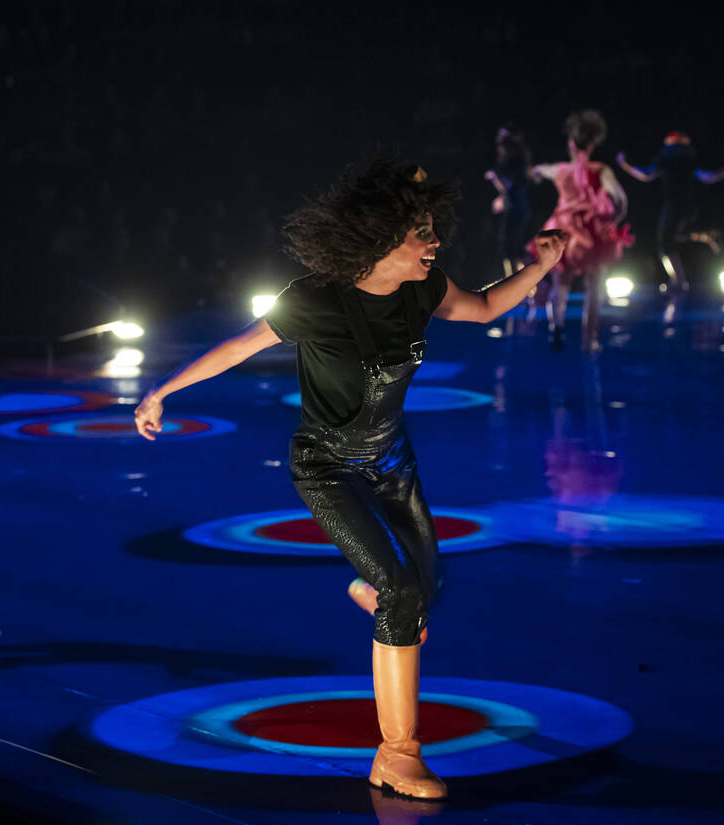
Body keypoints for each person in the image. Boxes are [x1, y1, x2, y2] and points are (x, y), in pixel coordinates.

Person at [134, 157, 567, 800]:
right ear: (381, 240)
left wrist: (542, 266)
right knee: (402, 592)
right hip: (327, 467)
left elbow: (481, 309)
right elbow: (236, 348)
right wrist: (162, 392)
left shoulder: (425, 288)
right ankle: (396, 755)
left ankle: (382, 595)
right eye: (422, 232)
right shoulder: (314, 301)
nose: (435, 242)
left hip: (393, 462)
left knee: (424, 591)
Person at [530, 110, 632, 352]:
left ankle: (557, 328)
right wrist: (614, 220)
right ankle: (590, 339)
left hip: (562, 229)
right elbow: (622, 200)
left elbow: (540, 170)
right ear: (593, 143)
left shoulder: (560, 169)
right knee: (594, 286)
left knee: (560, 283)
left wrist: (535, 172)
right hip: (591, 232)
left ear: (571, 143)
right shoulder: (600, 170)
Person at [616, 132, 724, 292]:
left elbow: (647, 175)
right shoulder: (684, 160)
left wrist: (625, 165)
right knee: (674, 237)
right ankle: (704, 237)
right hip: (685, 206)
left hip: (676, 205)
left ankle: (679, 280)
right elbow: (706, 176)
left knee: (666, 242)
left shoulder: (671, 160)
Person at [484, 124, 533, 280]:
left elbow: (509, 185)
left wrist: (494, 177)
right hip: (516, 208)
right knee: (509, 248)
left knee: (512, 248)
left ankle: (520, 286)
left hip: (517, 209)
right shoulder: (515, 159)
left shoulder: (516, 160)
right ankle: (516, 284)